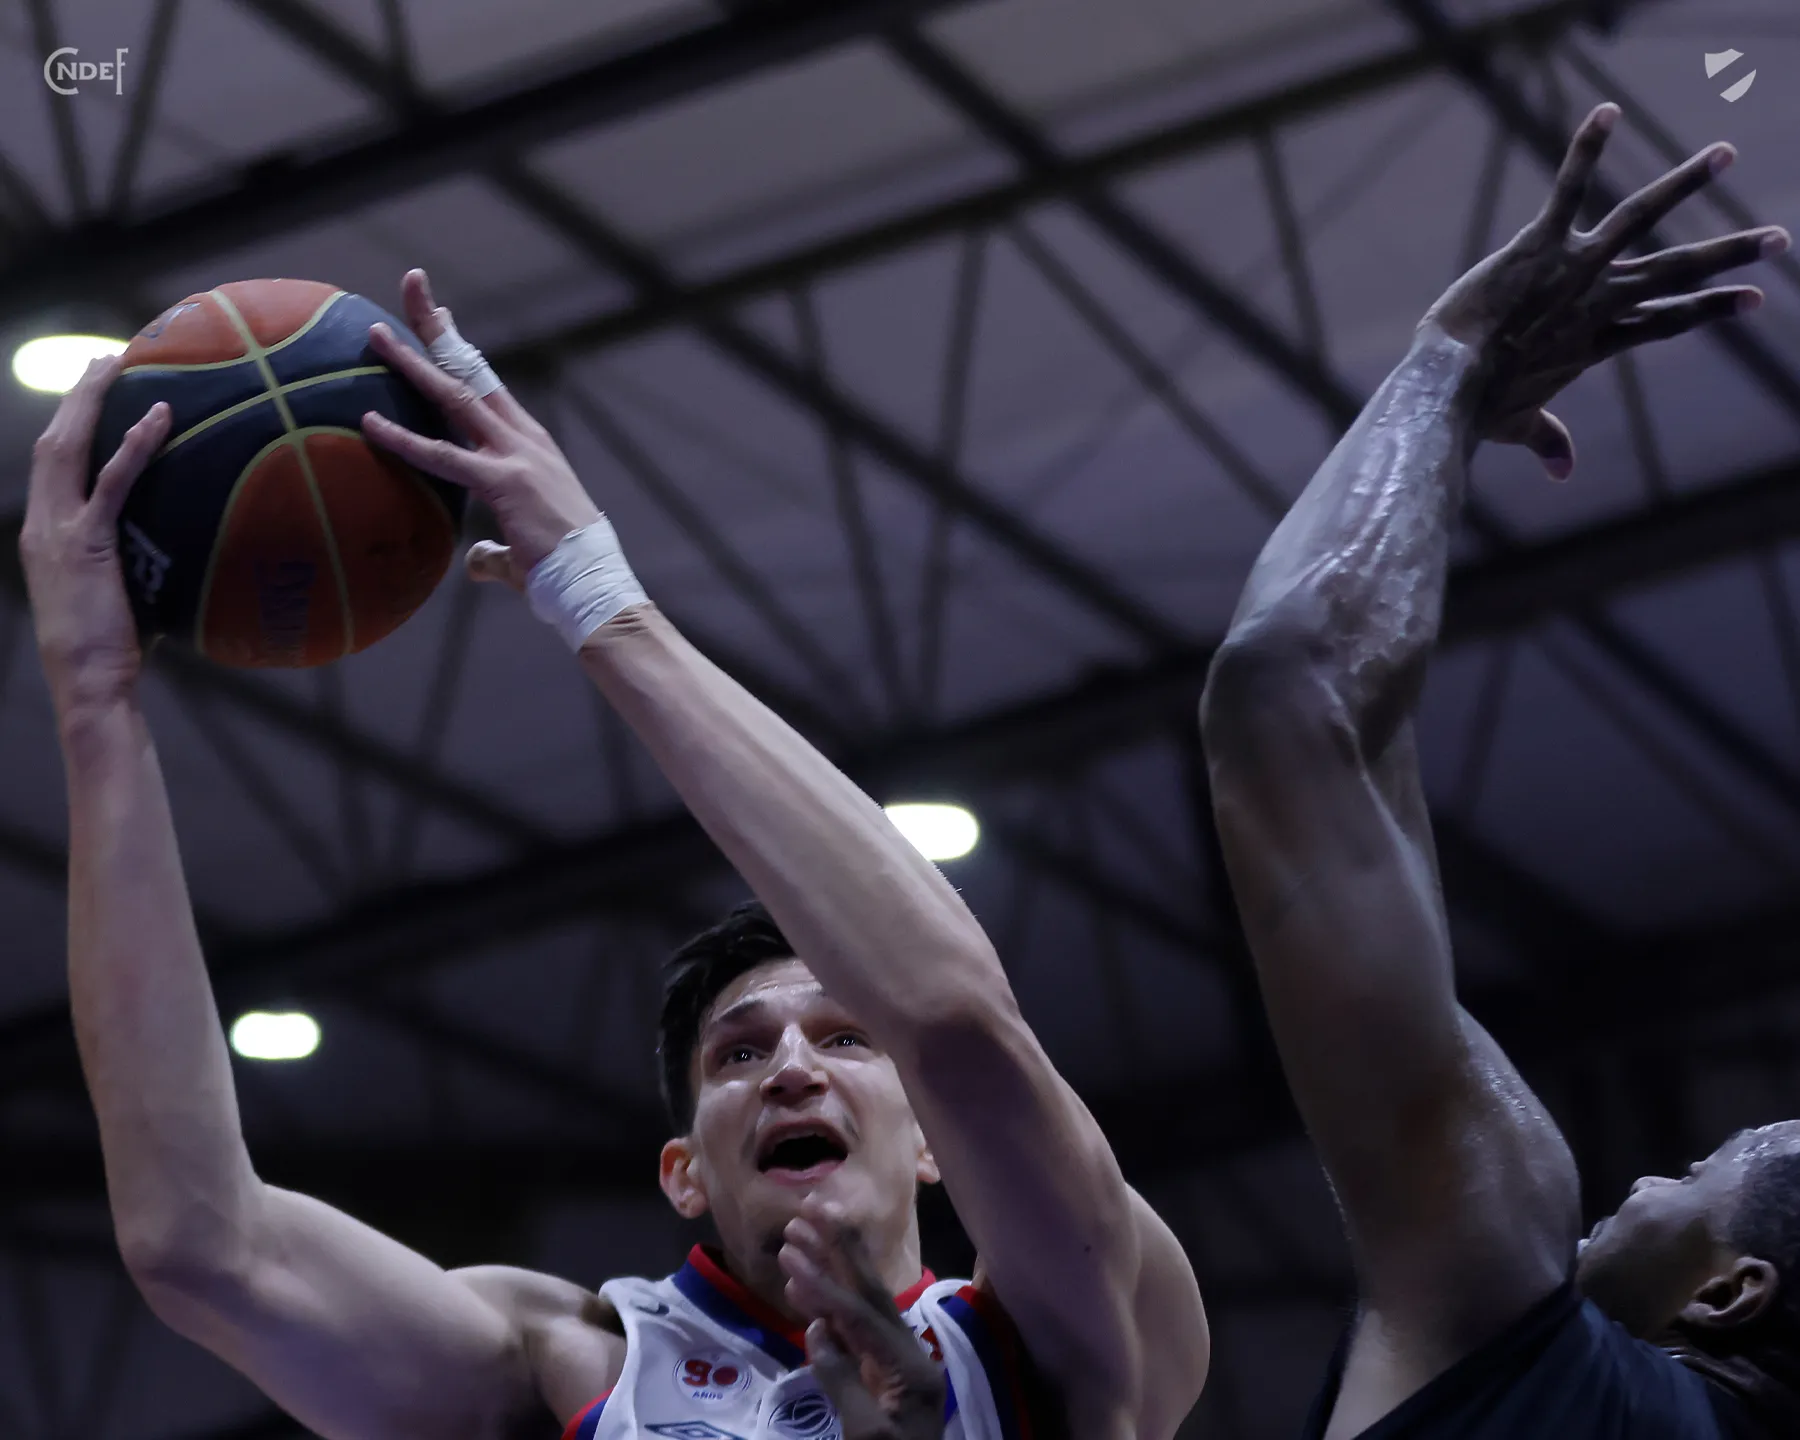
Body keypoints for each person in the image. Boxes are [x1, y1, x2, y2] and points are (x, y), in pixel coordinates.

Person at [21, 269, 1208, 1439]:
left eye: (847, 1036)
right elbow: (201, 1246)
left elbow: (956, 1022)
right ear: (684, 1173)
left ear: (937, 1143)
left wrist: (600, 595)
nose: (792, 1068)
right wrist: (94, 704)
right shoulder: (568, 1359)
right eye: (739, 1052)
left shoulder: (1077, 1327)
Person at [1200, 101, 1797, 1440]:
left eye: (1693, 1175)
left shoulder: (1552, 1358)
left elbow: (1285, 689)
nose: (1644, 1181)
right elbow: (1350, 763)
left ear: (1726, 1293)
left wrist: (1448, 366)